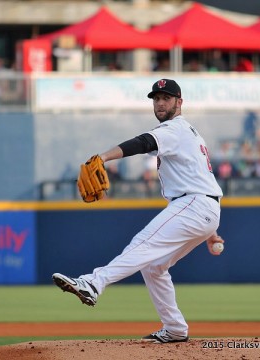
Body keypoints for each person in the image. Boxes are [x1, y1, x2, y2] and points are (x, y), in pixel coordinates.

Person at [52, 79, 225, 344]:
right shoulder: (190, 133)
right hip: (202, 207)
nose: (160, 103)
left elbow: (144, 142)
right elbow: (203, 182)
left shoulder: (174, 129)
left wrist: (104, 157)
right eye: (156, 98)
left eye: (166, 98)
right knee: (154, 266)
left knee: (142, 245)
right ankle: (175, 328)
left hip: (193, 204)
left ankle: (93, 283)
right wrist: (211, 231)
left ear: (179, 102)